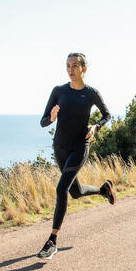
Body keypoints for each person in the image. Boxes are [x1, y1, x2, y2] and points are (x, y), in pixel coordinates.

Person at [37, 52, 115, 260]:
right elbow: (43, 121)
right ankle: (103, 190)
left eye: (74, 66)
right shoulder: (58, 91)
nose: (70, 70)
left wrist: (96, 127)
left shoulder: (91, 93)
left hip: (80, 146)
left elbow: (107, 115)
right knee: (76, 192)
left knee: (61, 188)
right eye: (68, 66)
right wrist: (51, 118)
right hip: (60, 147)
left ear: (84, 69)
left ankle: (52, 241)